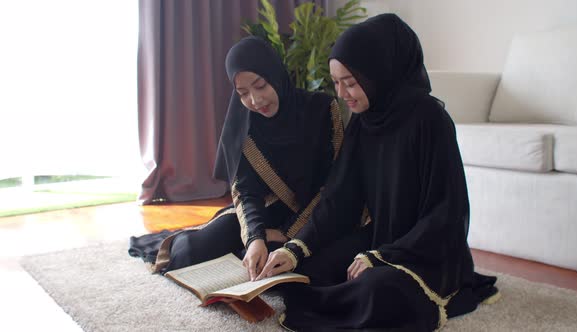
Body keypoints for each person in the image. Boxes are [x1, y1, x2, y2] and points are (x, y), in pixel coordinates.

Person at [257, 14, 499, 331]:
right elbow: (339, 199)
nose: (342, 93)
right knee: (307, 270)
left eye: (351, 83)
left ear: (378, 74)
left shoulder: (431, 120)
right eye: (336, 83)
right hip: (380, 238)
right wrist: (295, 248)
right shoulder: (365, 121)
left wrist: (383, 256)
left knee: (376, 291)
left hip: (428, 252)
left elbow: (446, 214)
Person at [128, 36, 352, 281]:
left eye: (260, 86)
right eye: (243, 93)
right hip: (267, 211)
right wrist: (256, 237)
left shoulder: (321, 109)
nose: (255, 101)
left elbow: (334, 184)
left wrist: (287, 232)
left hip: (318, 216)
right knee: (190, 253)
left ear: (275, 75)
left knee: (286, 264)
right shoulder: (242, 124)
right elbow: (245, 192)